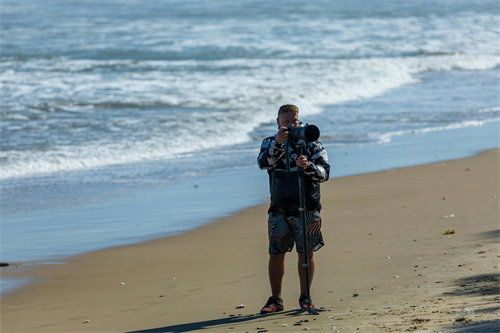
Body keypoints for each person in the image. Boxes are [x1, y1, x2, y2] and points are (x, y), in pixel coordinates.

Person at [257, 104, 330, 314]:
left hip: (307, 205)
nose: (291, 125)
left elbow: (324, 174)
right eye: (287, 121)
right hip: (279, 206)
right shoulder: (270, 142)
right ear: (278, 122)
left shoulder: (311, 142)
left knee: (305, 253)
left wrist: (308, 167)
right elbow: (263, 163)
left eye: (294, 121)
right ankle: (276, 300)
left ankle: (306, 297)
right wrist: (279, 145)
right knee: (276, 252)